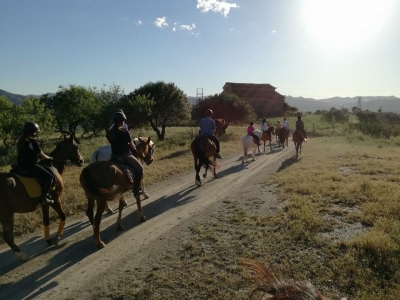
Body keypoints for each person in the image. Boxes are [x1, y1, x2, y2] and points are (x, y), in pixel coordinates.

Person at [17, 122, 54, 206]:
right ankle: (44, 198)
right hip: (30, 166)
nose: (36, 133)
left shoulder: (21, 140)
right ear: (33, 132)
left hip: (20, 165)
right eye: (36, 131)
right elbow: (41, 155)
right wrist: (50, 158)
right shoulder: (32, 141)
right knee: (49, 176)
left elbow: (28, 153)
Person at [107, 111, 143, 197]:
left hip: (114, 155)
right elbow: (131, 144)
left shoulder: (110, 131)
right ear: (122, 121)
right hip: (125, 154)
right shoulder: (124, 131)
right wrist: (135, 151)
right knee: (140, 169)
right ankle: (136, 189)